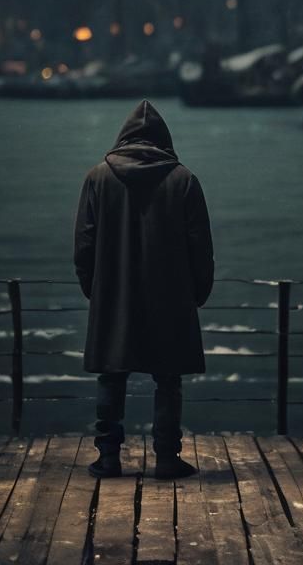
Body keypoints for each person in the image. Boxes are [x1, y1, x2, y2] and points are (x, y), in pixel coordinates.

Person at [73, 99, 214, 479]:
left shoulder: (97, 178)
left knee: (111, 374)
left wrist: (96, 290)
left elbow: (84, 245)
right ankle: (167, 458)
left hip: (113, 294)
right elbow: (200, 247)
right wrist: (197, 293)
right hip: (170, 296)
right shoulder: (184, 180)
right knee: (168, 379)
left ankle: (108, 458)